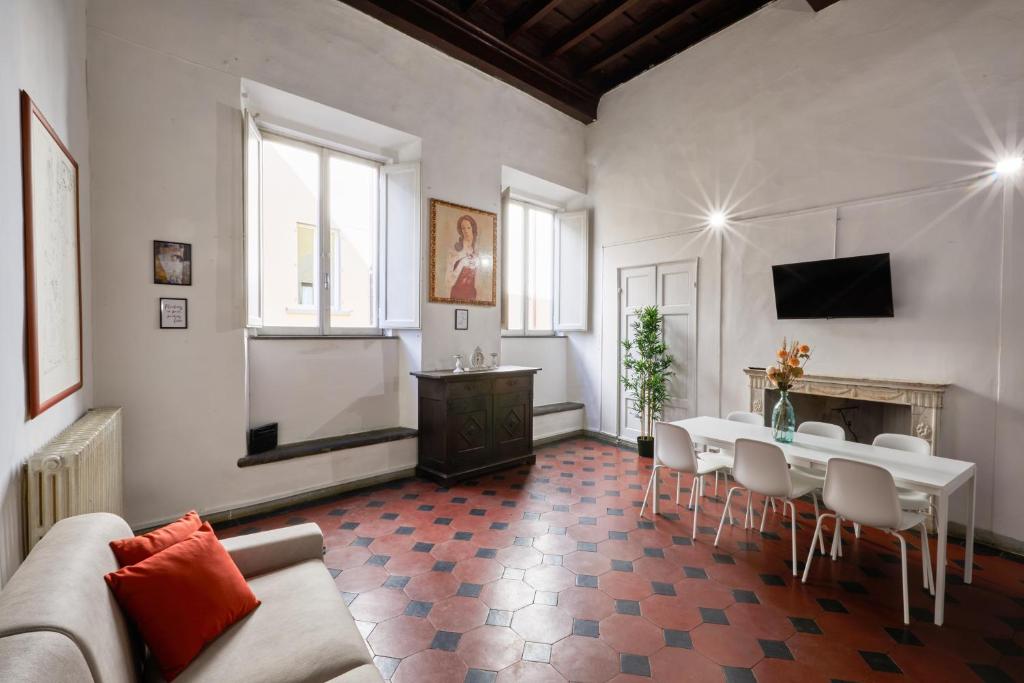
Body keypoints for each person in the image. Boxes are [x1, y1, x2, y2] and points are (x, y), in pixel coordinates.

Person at [446, 214, 480, 300]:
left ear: (473, 229)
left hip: (472, 295)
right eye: (463, 228)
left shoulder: (477, 251)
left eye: (468, 228)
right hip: (457, 294)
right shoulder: (455, 250)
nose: (466, 231)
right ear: (460, 230)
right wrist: (462, 263)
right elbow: (448, 281)